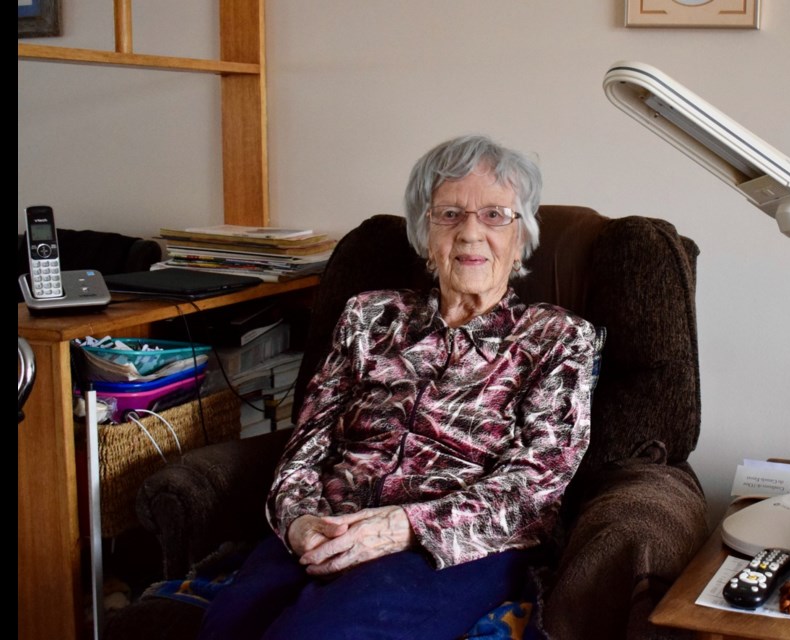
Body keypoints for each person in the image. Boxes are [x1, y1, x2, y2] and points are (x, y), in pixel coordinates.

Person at [198, 135, 596, 640]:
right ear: (424, 233)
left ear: (523, 235)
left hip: (452, 545)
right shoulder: (369, 316)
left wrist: (403, 526)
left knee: (319, 633)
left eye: (495, 215)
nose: (471, 233)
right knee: (229, 623)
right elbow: (308, 440)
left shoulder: (556, 338)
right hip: (330, 522)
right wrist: (299, 520)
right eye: (449, 214)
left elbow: (537, 485)